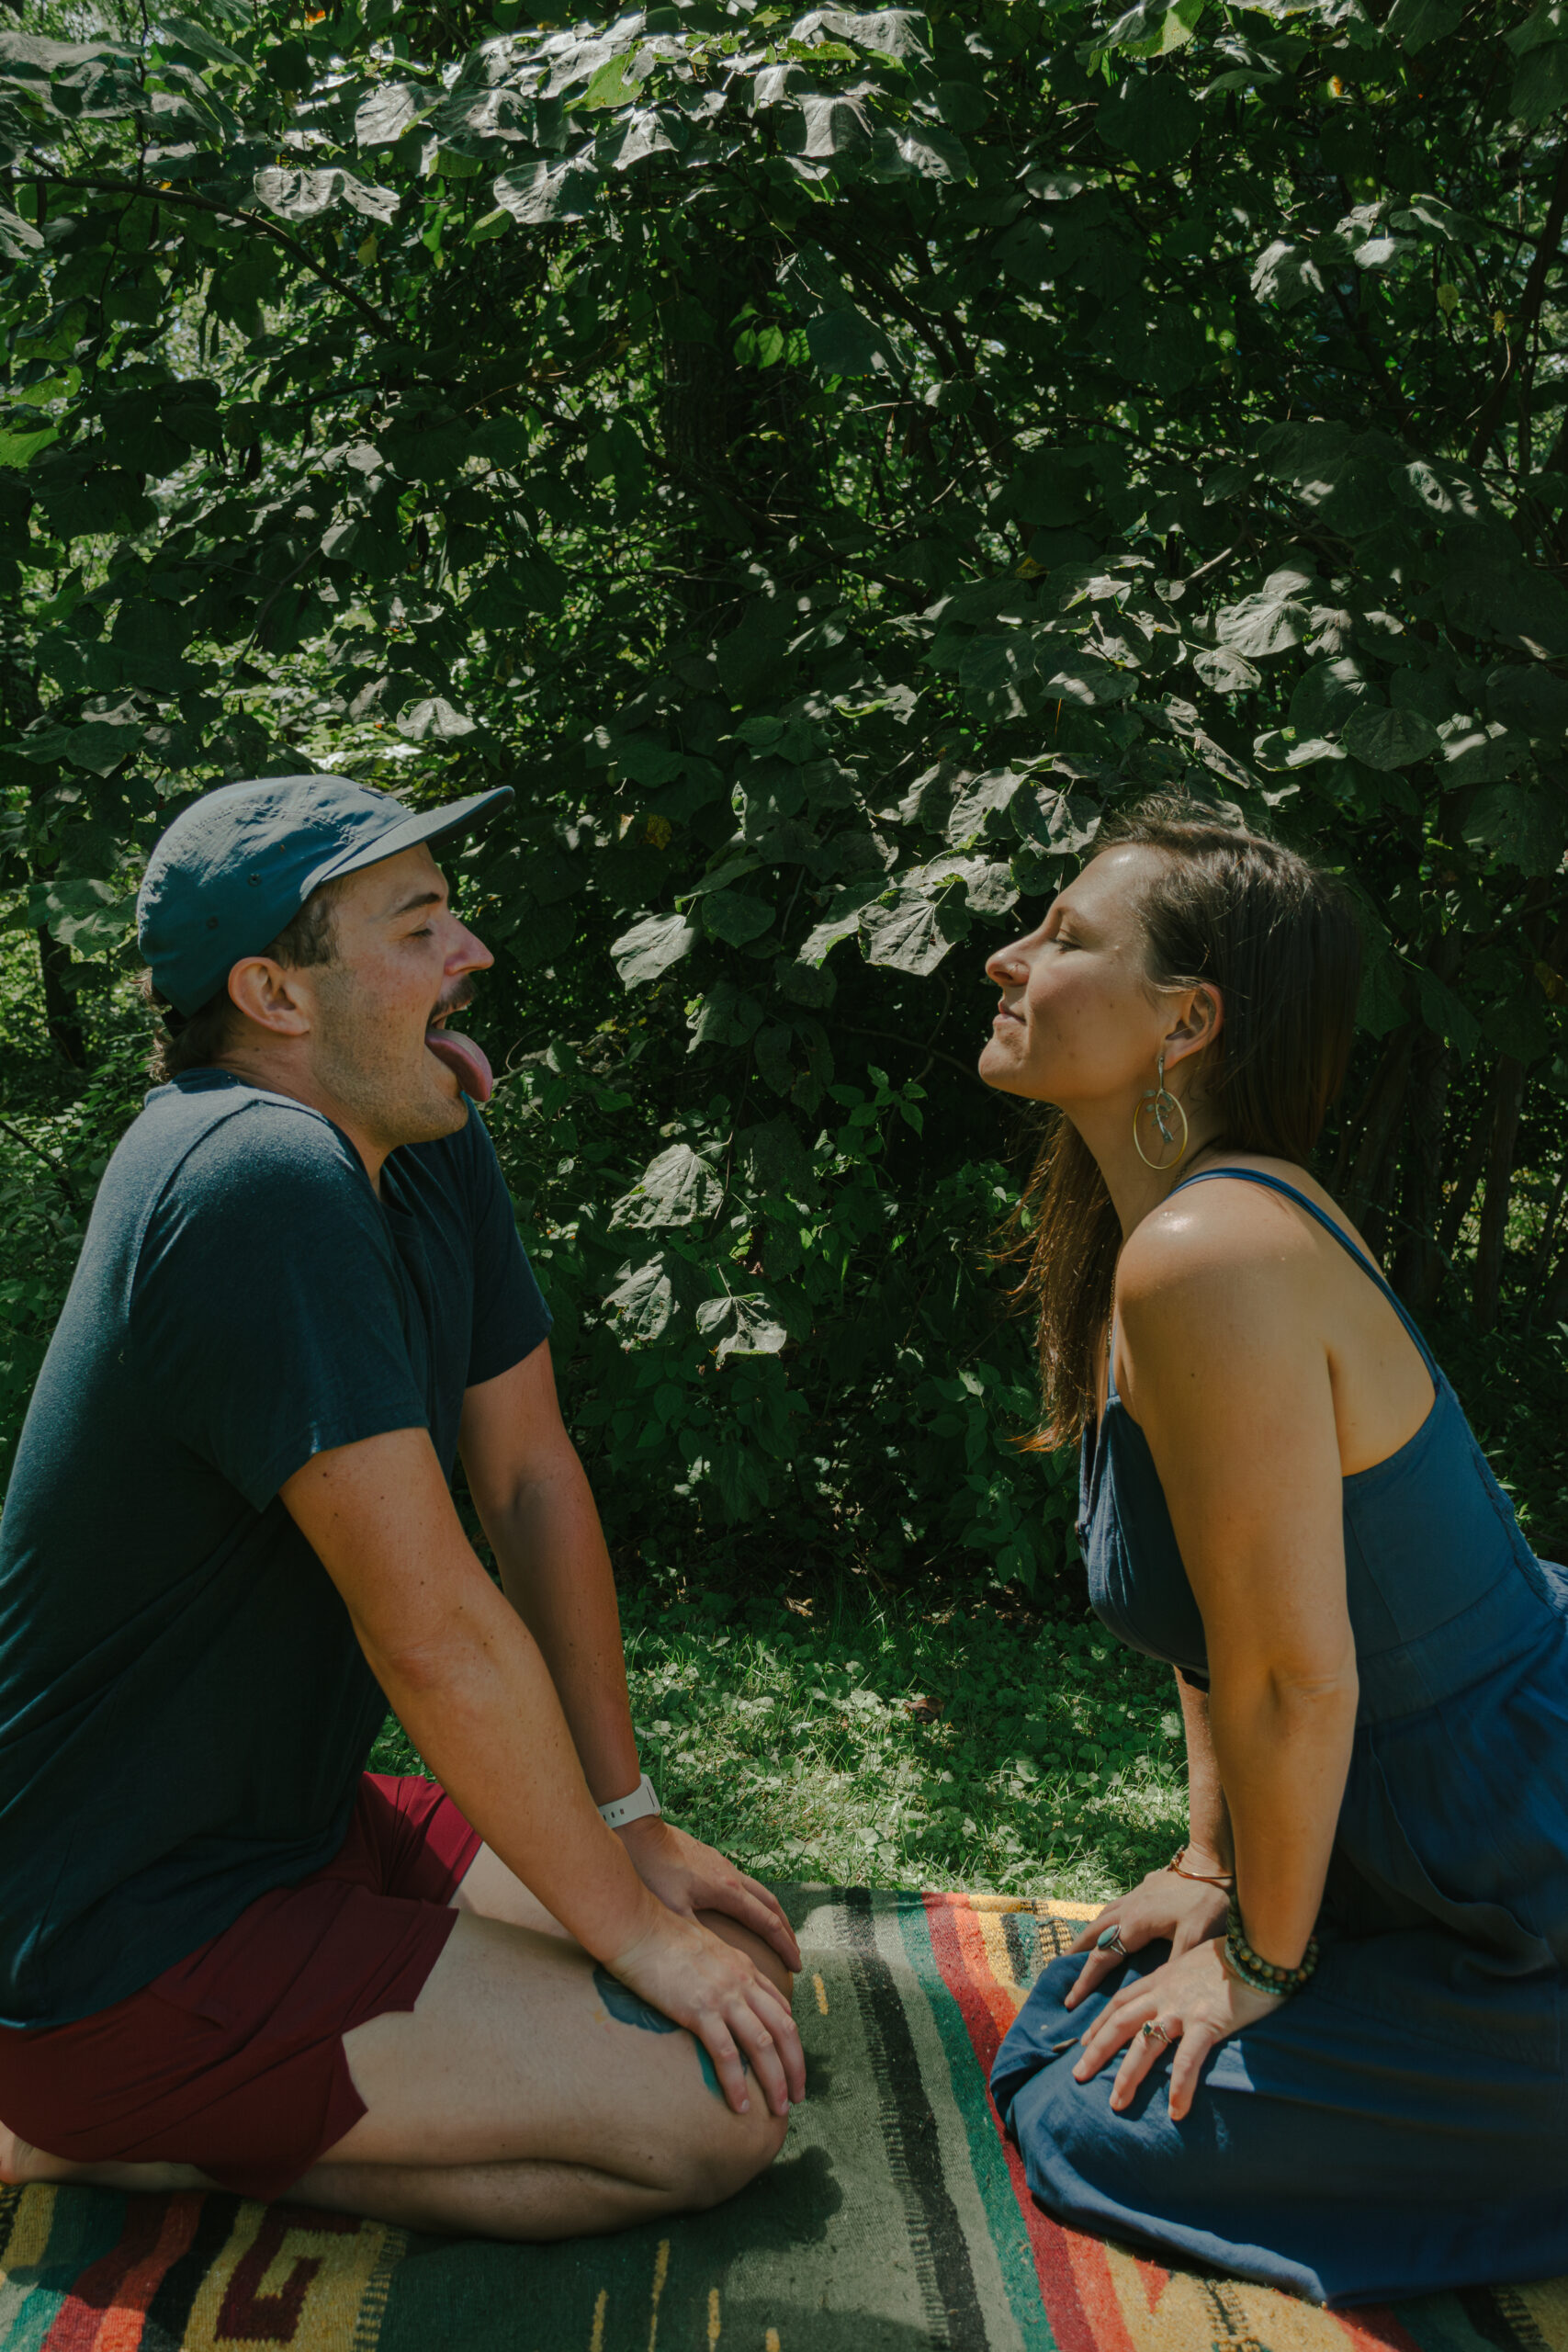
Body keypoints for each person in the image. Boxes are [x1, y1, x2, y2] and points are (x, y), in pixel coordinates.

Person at [0, 773, 803, 2239]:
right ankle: (83, 2126)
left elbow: (528, 1476)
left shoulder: (418, 1140)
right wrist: (629, 1938)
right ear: (275, 994)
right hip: (113, 1930)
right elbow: (431, 1629)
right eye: (420, 924)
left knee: (728, 1962)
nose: (472, 952)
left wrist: (632, 1827)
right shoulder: (252, 1176)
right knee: (716, 2107)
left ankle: (153, 2105)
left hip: (283, 1836)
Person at [978, 795, 1568, 2307]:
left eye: (1061, 937)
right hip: (1431, 1848)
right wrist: (1212, 1863)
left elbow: (1296, 1673)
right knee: (1082, 2029)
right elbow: (1217, 1626)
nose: (1007, 958)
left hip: (1521, 1845)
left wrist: (1266, 1963)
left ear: (1186, 1022)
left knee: (1089, 2112)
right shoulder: (1164, 1246)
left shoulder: (1213, 1251)